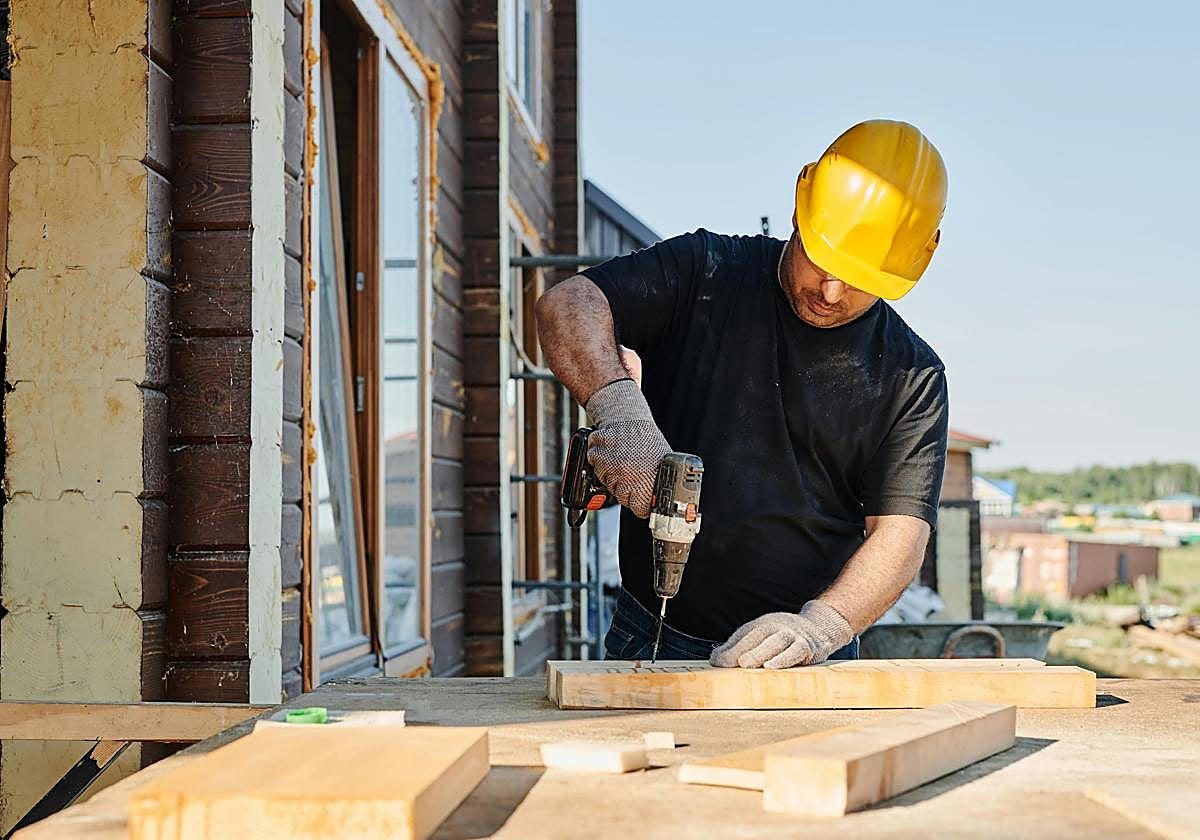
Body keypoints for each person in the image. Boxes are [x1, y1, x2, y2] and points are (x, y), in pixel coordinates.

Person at [536, 120, 950, 669]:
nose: (831, 291)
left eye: (859, 277)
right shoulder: (705, 272)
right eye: (822, 260)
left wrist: (821, 627)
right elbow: (568, 304)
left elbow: (899, 538)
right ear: (799, 213)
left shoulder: (912, 376)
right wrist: (617, 408)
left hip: (804, 654)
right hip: (654, 633)